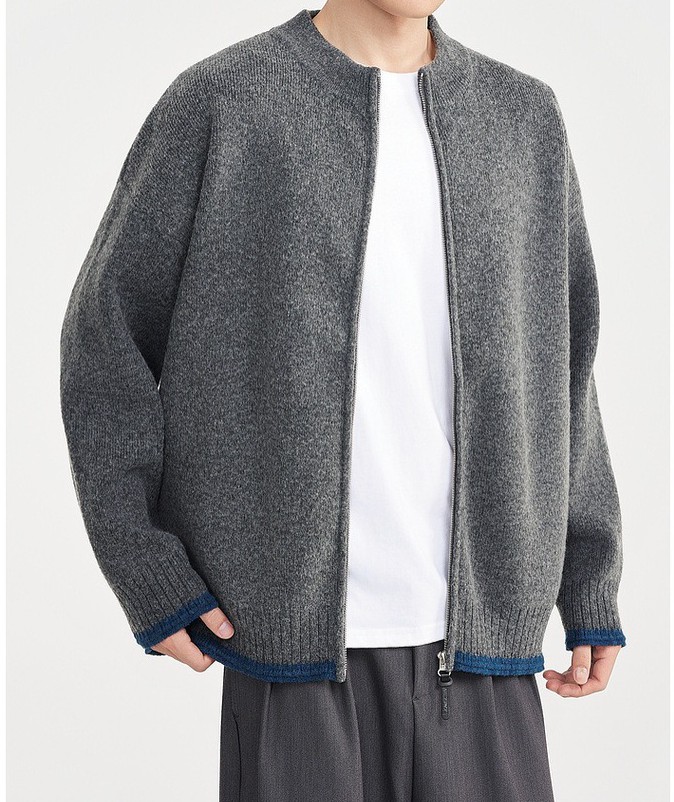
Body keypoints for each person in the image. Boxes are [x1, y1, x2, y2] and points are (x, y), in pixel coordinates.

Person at [59, 2, 627, 800]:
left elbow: (565, 361)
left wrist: (590, 576)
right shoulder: (225, 100)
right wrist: (145, 566)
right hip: (289, 654)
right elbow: (103, 341)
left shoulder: (523, 117)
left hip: (485, 648)